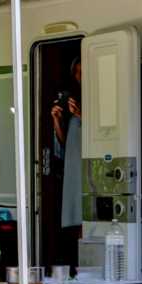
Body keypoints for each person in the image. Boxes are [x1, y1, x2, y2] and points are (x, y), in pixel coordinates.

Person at [53, 57, 85, 229]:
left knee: (90, 217)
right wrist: (57, 120)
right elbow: (65, 143)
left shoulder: (101, 100)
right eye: (77, 73)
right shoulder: (72, 100)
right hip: (74, 165)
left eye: (84, 72)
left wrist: (82, 116)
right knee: (79, 221)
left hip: (90, 166)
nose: (80, 76)